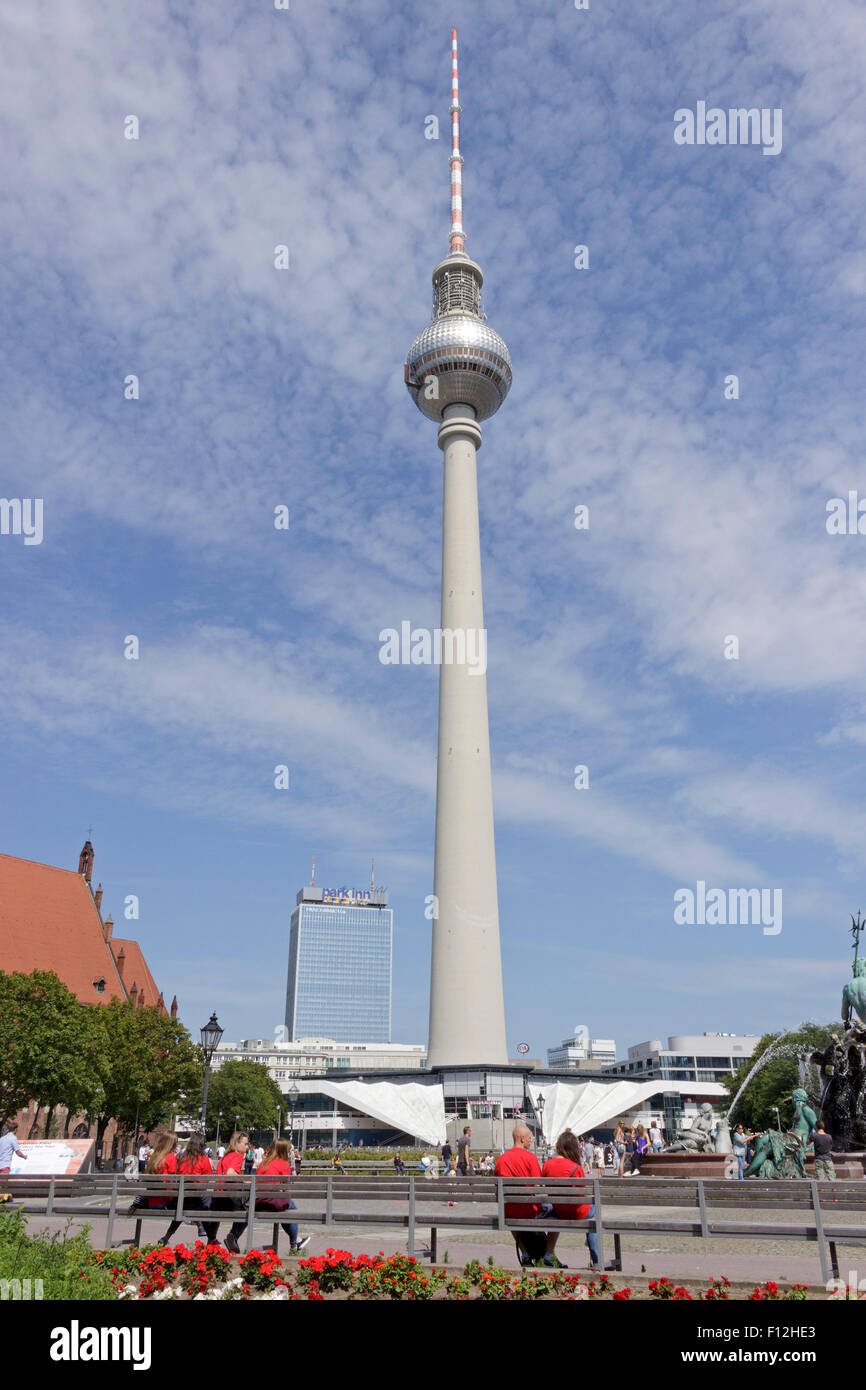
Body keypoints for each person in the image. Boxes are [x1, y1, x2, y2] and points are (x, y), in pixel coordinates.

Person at [494, 1124, 545, 1267]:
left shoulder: (501, 1159)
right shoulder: (531, 1158)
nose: (531, 1140)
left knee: (511, 1214)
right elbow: (538, 1187)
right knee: (551, 1209)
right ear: (522, 1139)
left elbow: (497, 1186)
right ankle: (548, 1253)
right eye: (530, 1138)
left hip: (509, 1211)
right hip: (530, 1210)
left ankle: (525, 1252)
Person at [541, 1129, 592, 1268]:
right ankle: (596, 1258)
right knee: (595, 1215)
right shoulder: (576, 1167)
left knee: (555, 1215)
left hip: (559, 1211)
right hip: (576, 1212)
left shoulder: (547, 1165)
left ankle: (548, 1254)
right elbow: (583, 1195)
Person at [255, 1139, 310, 1253]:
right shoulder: (283, 1164)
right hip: (271, 1201)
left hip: (258, 1201)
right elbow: (286, 1189)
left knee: (284, 1208)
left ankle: (297, 1240)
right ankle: (295, 1243)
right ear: (284, 1151)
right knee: (291, 1209)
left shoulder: (263, 1163)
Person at [159, 1134, 214, 1244]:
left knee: (183, 1207)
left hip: (181, 1199)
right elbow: (207, 1180)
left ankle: (166, 1237)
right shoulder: (204, 1160)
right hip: (198, 1199)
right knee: (207, 1202)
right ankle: (210, 1237)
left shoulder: (182, 1159)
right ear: (202, 1146)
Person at [212, 1131, 250, 1254]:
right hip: (228, 1199)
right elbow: (230, 1173)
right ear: (237, 1143)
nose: (247, 1147)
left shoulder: (225, 1157)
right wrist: (245, 1181)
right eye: (245, 1144)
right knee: (250, 1210)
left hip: (217, 1199)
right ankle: (233, 1236)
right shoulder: (238, 1156)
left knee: (244, 1205)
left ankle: (217, 1240)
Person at [143, 1133, 179, 1231]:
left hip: (151, 1201)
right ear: (172, 1145)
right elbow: (172, 1182)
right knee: (184, 1205)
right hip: (164, 1202)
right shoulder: (170, 1157)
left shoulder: (154, 1157)